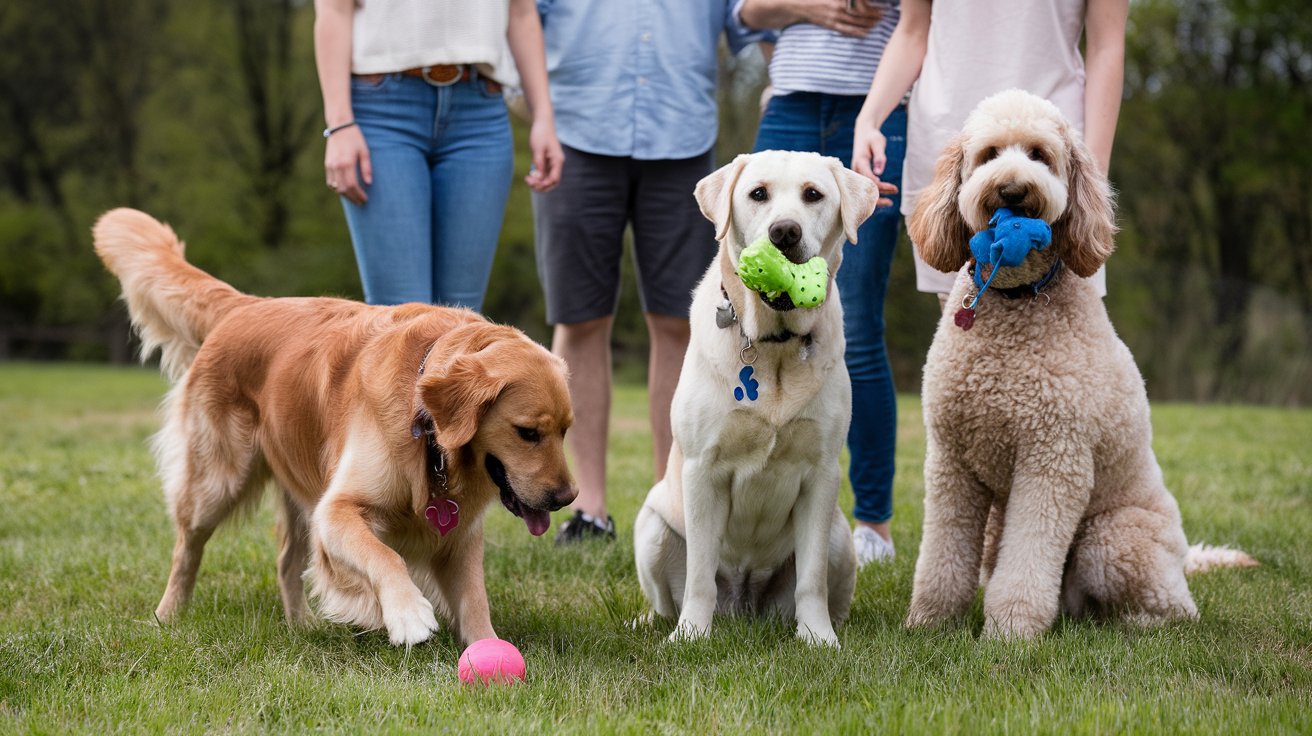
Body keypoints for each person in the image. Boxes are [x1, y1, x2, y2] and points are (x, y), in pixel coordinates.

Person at [531, 0, 771, 544]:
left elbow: (744, 20)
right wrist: (536, 110)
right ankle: (589, 507)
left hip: (683, 137)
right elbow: (521, 22)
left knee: (679, 321)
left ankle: (676, 500)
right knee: (579, 318)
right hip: (575, 135)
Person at [741, 0, 905, 567]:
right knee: (752, 303)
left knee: (856, 322)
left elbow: (923, 22)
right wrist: (810, 7)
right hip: (788, 105)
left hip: (882, 110)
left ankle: (873, 524)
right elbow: (745, 15)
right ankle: (752, 493)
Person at [852, 0, 1128, 302]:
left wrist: (1091, 177)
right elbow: (912, 30)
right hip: (955, 148)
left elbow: (1107, 46)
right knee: (967, 330)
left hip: (1054, 153)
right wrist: (868, 120)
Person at [314, 0, 564, 310]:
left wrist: (544, 117)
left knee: (462, 317)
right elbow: (334, 10)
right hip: (383, 112)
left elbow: (521, 12)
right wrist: (339, 124)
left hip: (480, 111)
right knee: (402, 317)